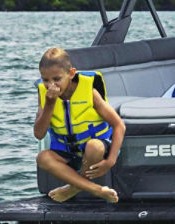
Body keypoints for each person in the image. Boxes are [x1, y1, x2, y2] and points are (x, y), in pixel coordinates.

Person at [35, 46, 124, 204]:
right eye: (45, 80)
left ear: (71, 73)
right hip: (68, 152)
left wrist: (110, 161)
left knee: (94, 146)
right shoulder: (44, 95)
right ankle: (96, 189)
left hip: (95, 151)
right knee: (43, 158)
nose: (51, 85)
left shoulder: (89, 91)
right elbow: (39, 134)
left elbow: (119, 125)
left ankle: (73, 188)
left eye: (56, 79)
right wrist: (49, 104)